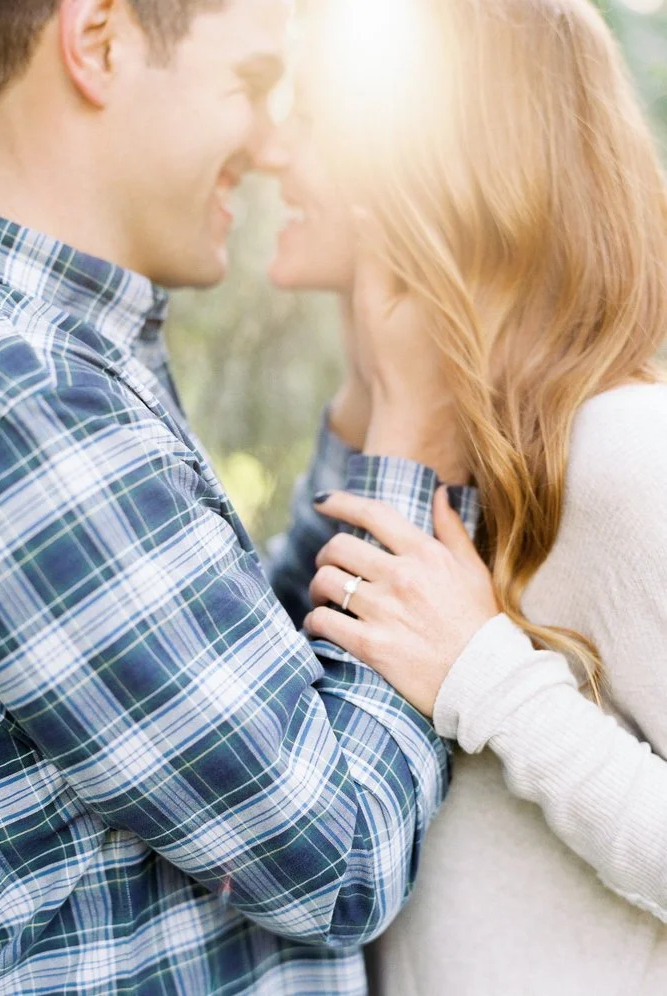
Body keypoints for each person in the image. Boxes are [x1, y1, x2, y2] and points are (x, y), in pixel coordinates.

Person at [0, 1, 478, 993]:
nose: (270, 149)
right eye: (251, 84)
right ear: (98, 42)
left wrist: (363, 414)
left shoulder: (29, 356)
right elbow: (336, 854)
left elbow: (230, 684)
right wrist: (417, 452)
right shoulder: (21, 402)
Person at [264, 0, 667, 993]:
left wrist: (488, 680)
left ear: (423, 159)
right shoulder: (420, 452)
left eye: (310, 113)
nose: (271, 148)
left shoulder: (618, 454)